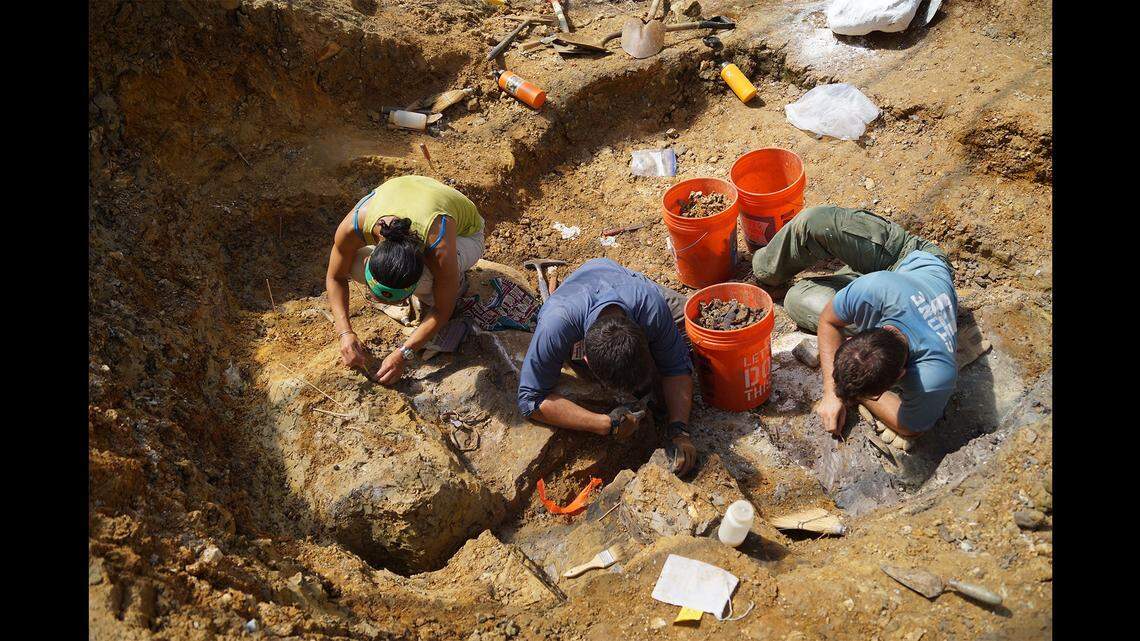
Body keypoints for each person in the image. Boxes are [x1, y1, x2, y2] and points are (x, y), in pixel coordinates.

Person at [752, 205, 958, 449]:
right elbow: (829, 321)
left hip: (910, 272)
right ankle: (765, 271)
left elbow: (910, 426)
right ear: (869, 329)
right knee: (815, 223)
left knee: (796, 298)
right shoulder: (877, 290)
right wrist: (831, 392)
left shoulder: (933, 376)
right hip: (902, 257)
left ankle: (847, 284)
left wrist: (850, 391)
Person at [517, 258, 698, 475]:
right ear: (586, 359)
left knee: (697, 323)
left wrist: (680, 430)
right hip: (578, 296)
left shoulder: (651, 307)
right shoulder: (555, 326)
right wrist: (604, 423)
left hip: (626, 284)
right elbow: (530, 400)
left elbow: (675, 367)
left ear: (644, 337)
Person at [326, 175, 485, 385]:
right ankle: (428, 287)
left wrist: (404, 353)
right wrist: (345, 333)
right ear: (371, 260)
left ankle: (456, 282)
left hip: (467, 234)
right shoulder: (354, 226)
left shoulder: (438, 248)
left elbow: (443, 310)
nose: (385, 304)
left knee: (433, 283)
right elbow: (335, 276)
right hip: (411, 196)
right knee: (349, 262)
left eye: (399, 299)